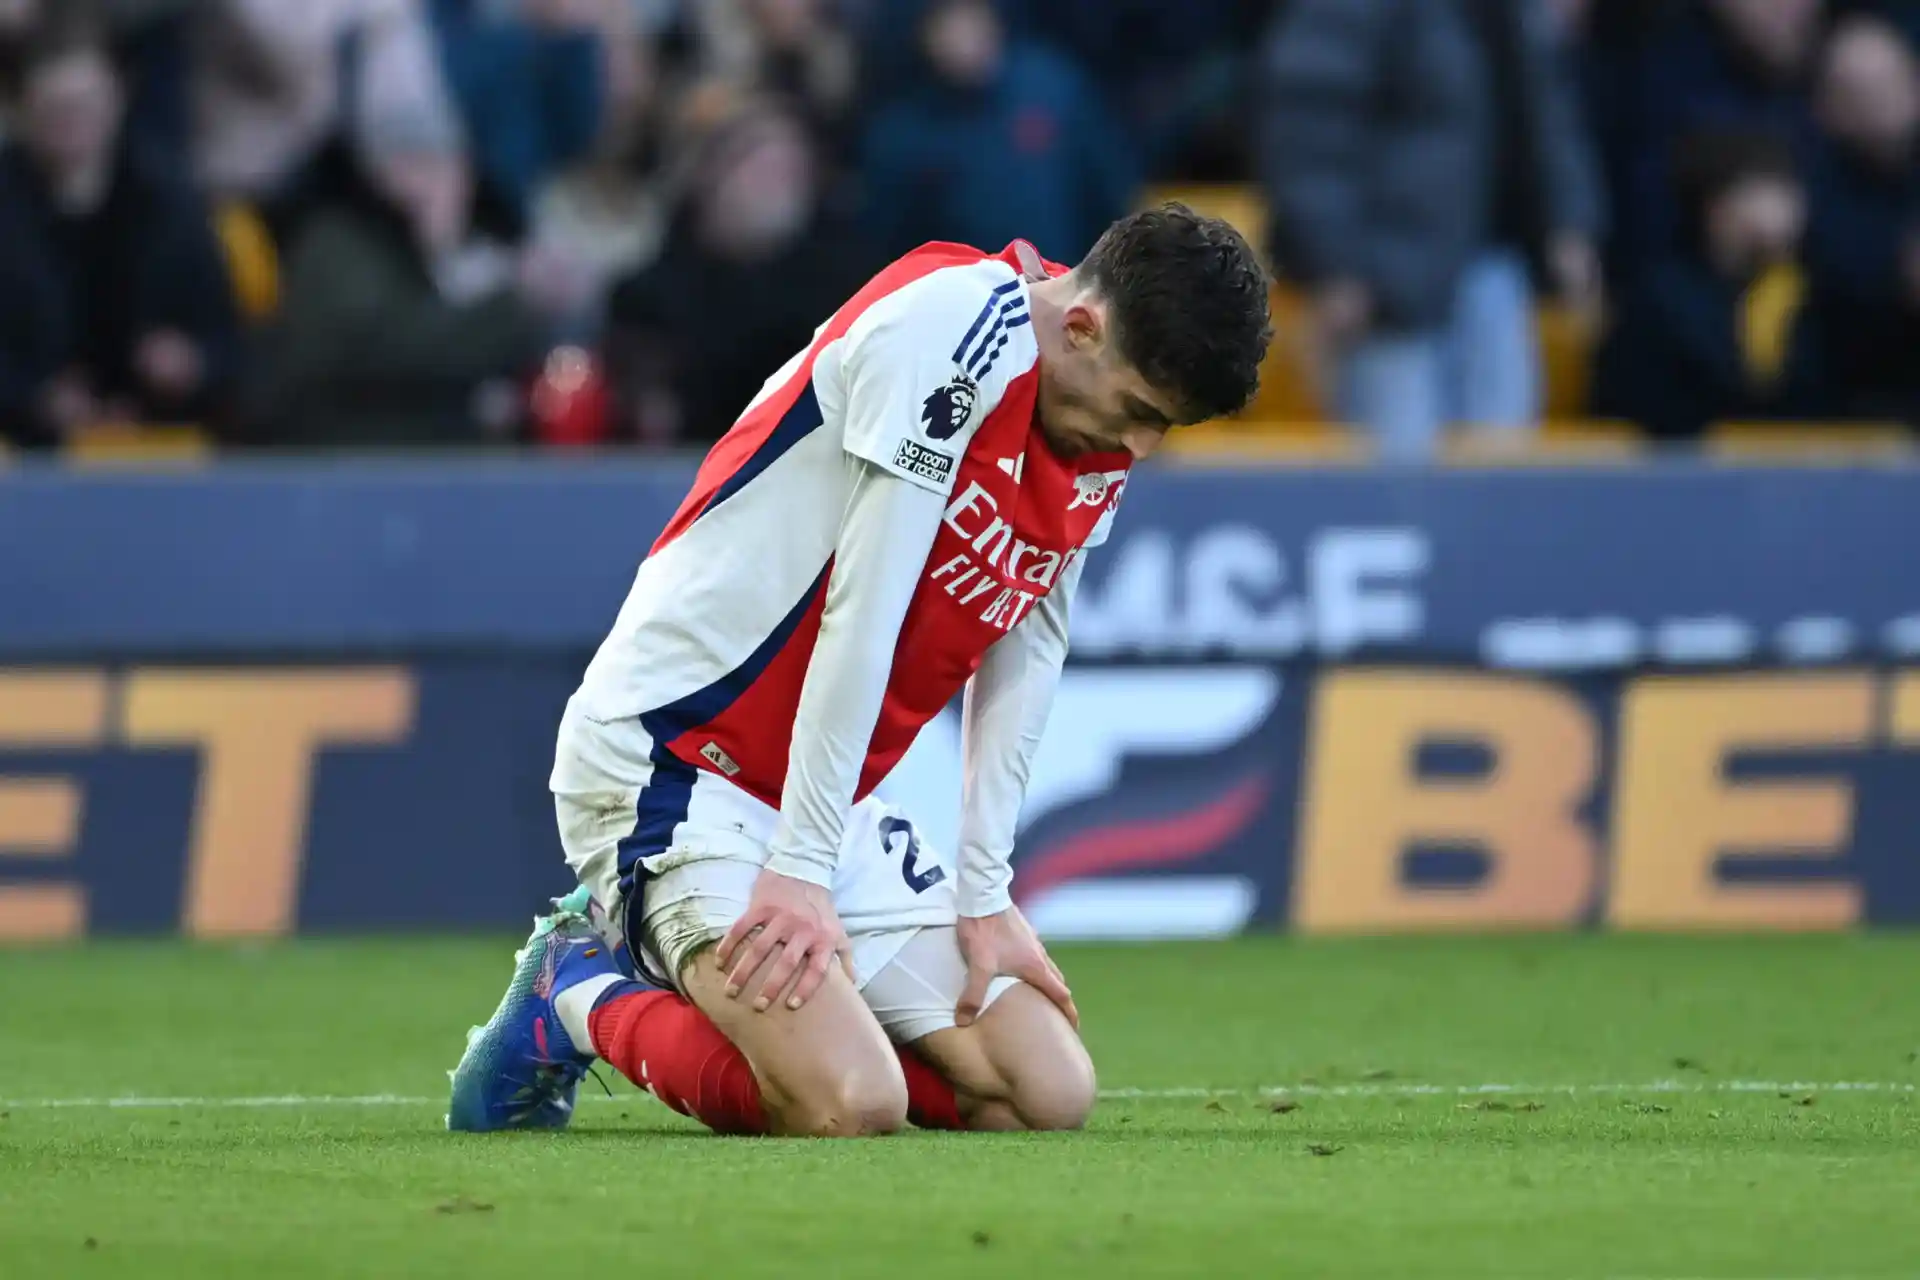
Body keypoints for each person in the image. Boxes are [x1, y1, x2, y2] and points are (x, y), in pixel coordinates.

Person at [446, 204, 1272, 1137]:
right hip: (675, 762)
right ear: (1082, 325)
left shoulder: (1092, 415)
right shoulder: (947, 330)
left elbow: (1031, 635)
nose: (1139, 449)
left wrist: (985, 891)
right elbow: (862, 610)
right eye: (1140, 414)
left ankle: (795, 1013)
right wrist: (798, 871)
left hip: (820, 797)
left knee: (1042, 1093)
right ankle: (578, 990)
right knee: (849, 1103)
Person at [1257, 0, 1603, 463]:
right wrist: (1333, 264)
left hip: (1493, 266)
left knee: (1504, 474)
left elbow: (1541, 109)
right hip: (1386, 285)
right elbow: (1308, 131)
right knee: (1400, 479)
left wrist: (1566, 220)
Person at [0, 20, 239, 447]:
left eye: (85, 107)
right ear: (23, 107)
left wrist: (189, 364)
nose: (72, 127)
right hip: (23, 453)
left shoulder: (170, 200)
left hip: (156, 443)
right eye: (57, 112)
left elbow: (228, 345)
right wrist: (33, 397)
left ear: (118, 96)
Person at [1594, 130, 1826, 439]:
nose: (1781, 211)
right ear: (1713, 206)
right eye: (1758, 193)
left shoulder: (1816, 295)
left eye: (1787, 194)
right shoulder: (1662, 302)